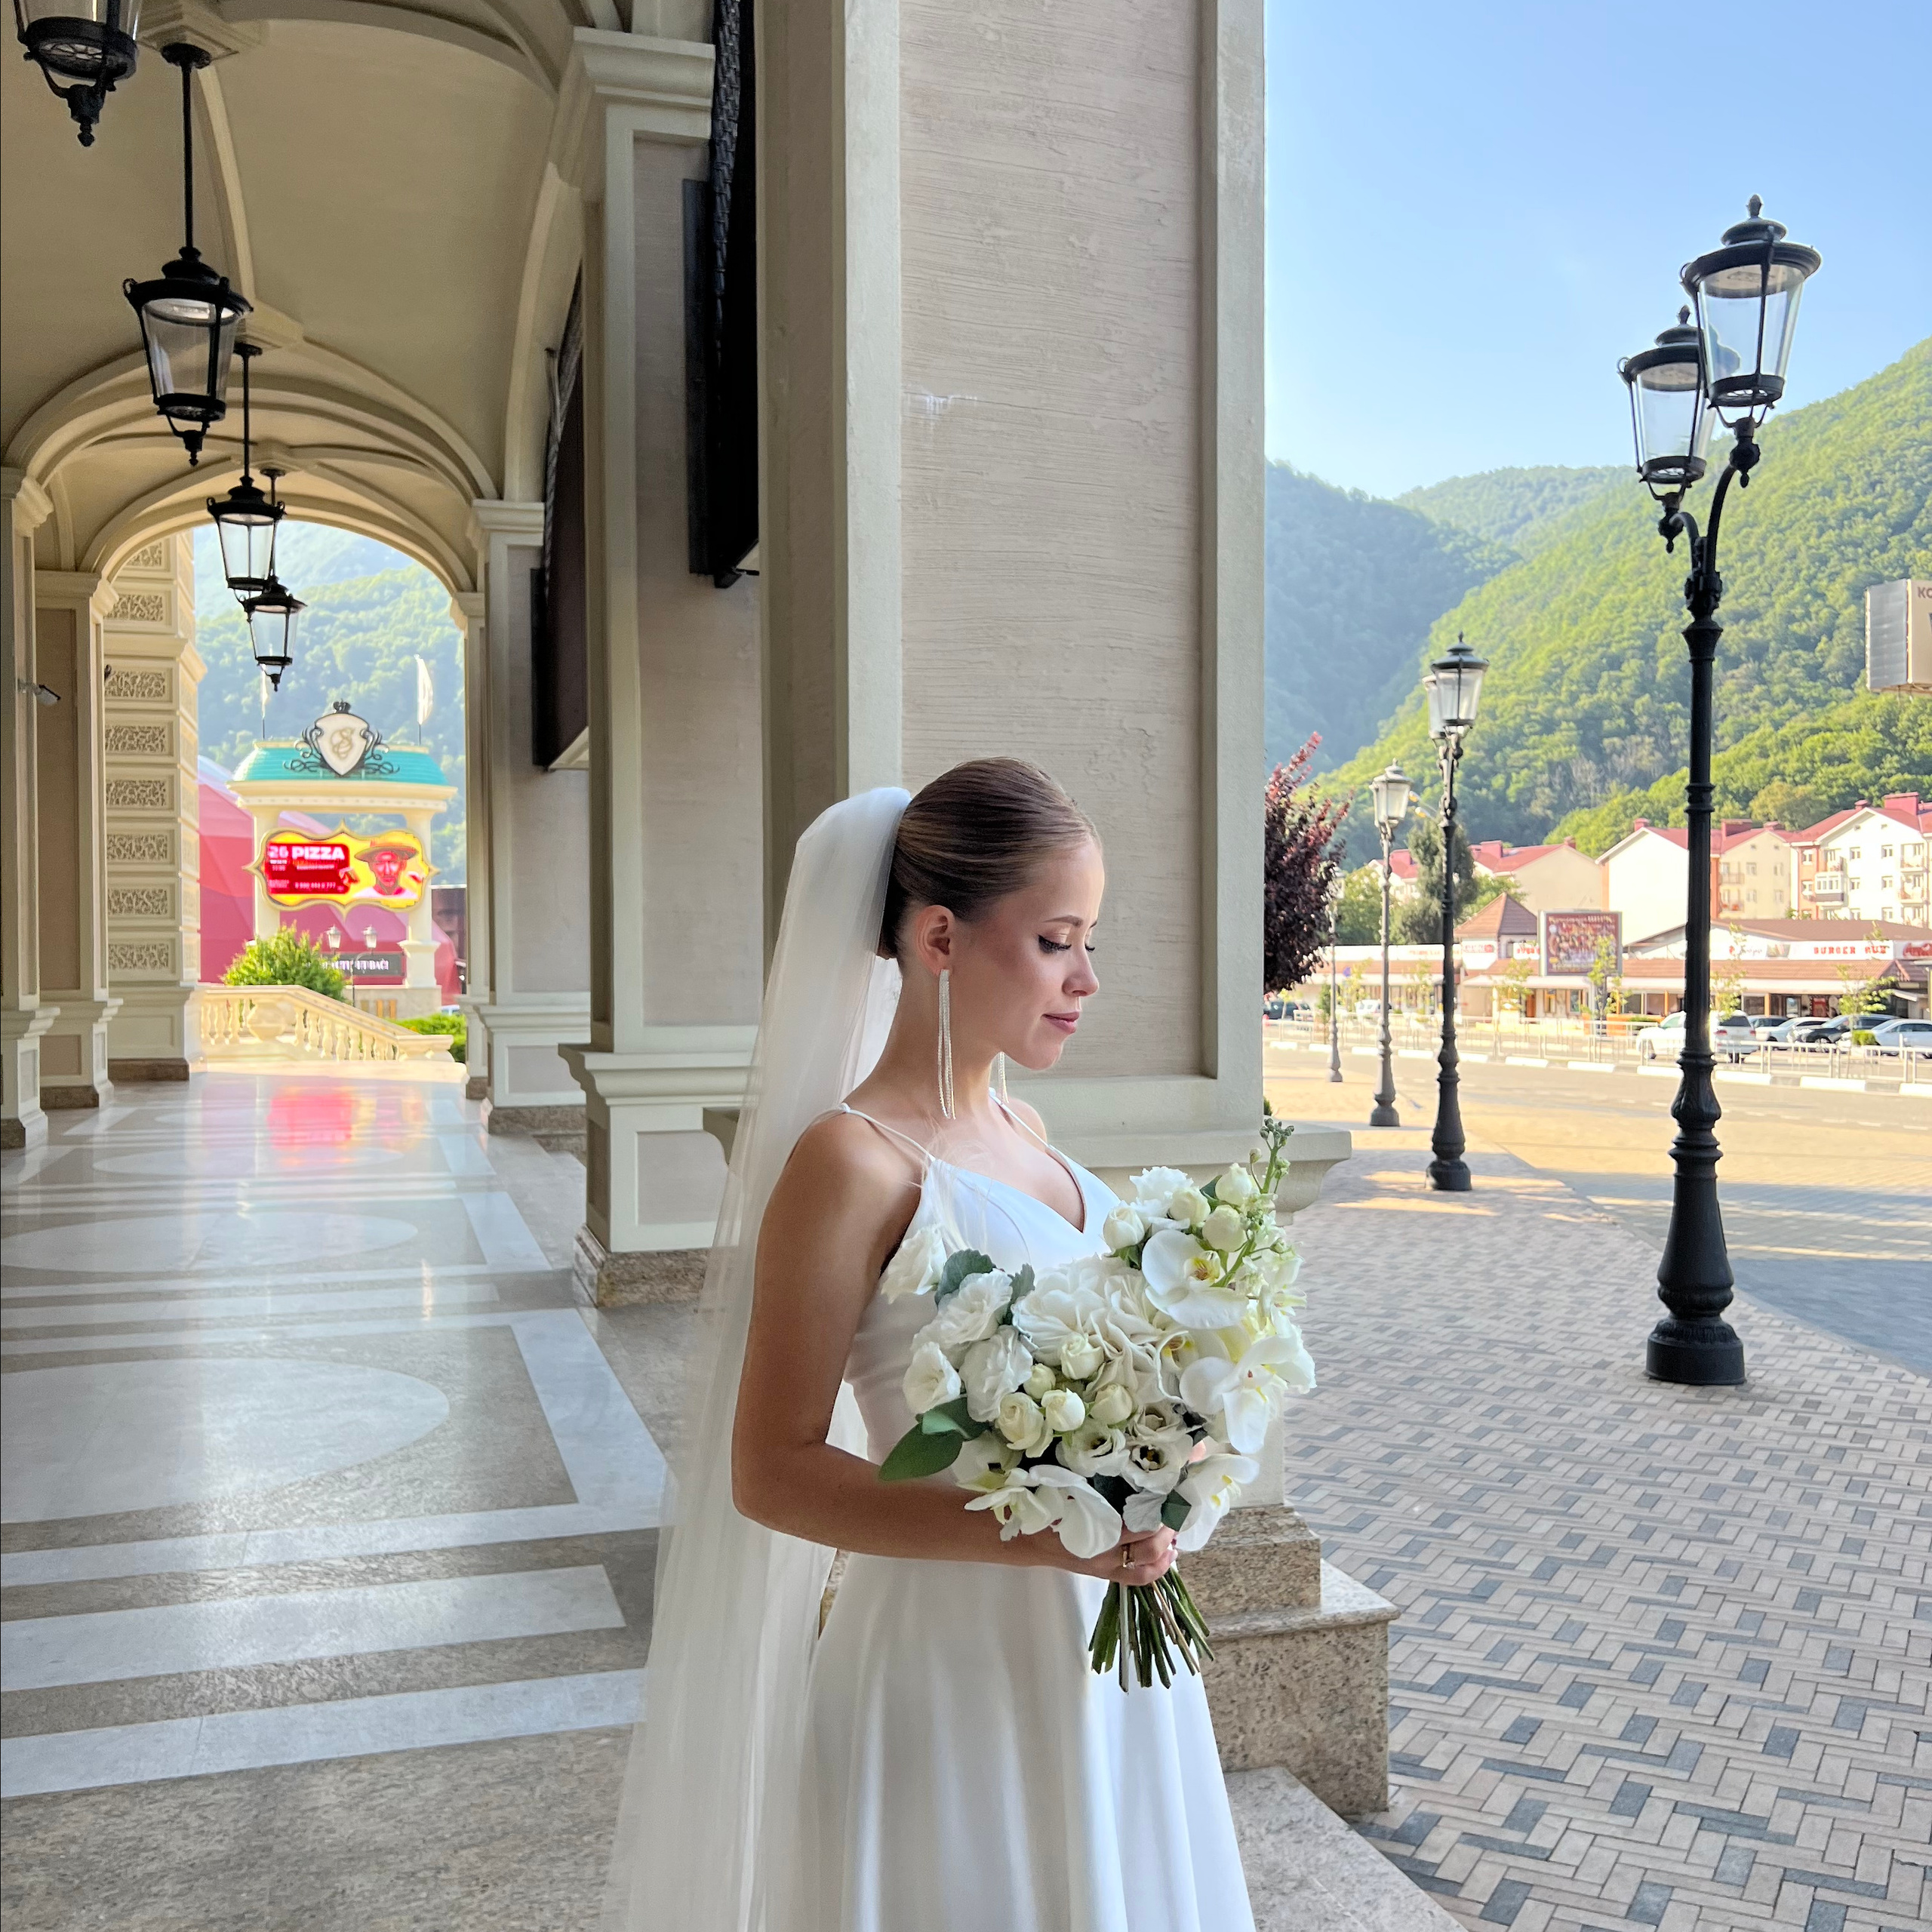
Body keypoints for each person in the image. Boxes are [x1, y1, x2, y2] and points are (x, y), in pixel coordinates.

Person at [602, 760, 1253, 1932]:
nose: (1087, 979)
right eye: (1057, 941)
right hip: (950, 1663)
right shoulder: (848, 1163)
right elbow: (772, 1470)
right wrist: (1052, 1540)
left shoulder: (1027, 1127)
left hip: (1109, 1656)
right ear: (943, 938)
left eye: (1089, 941)